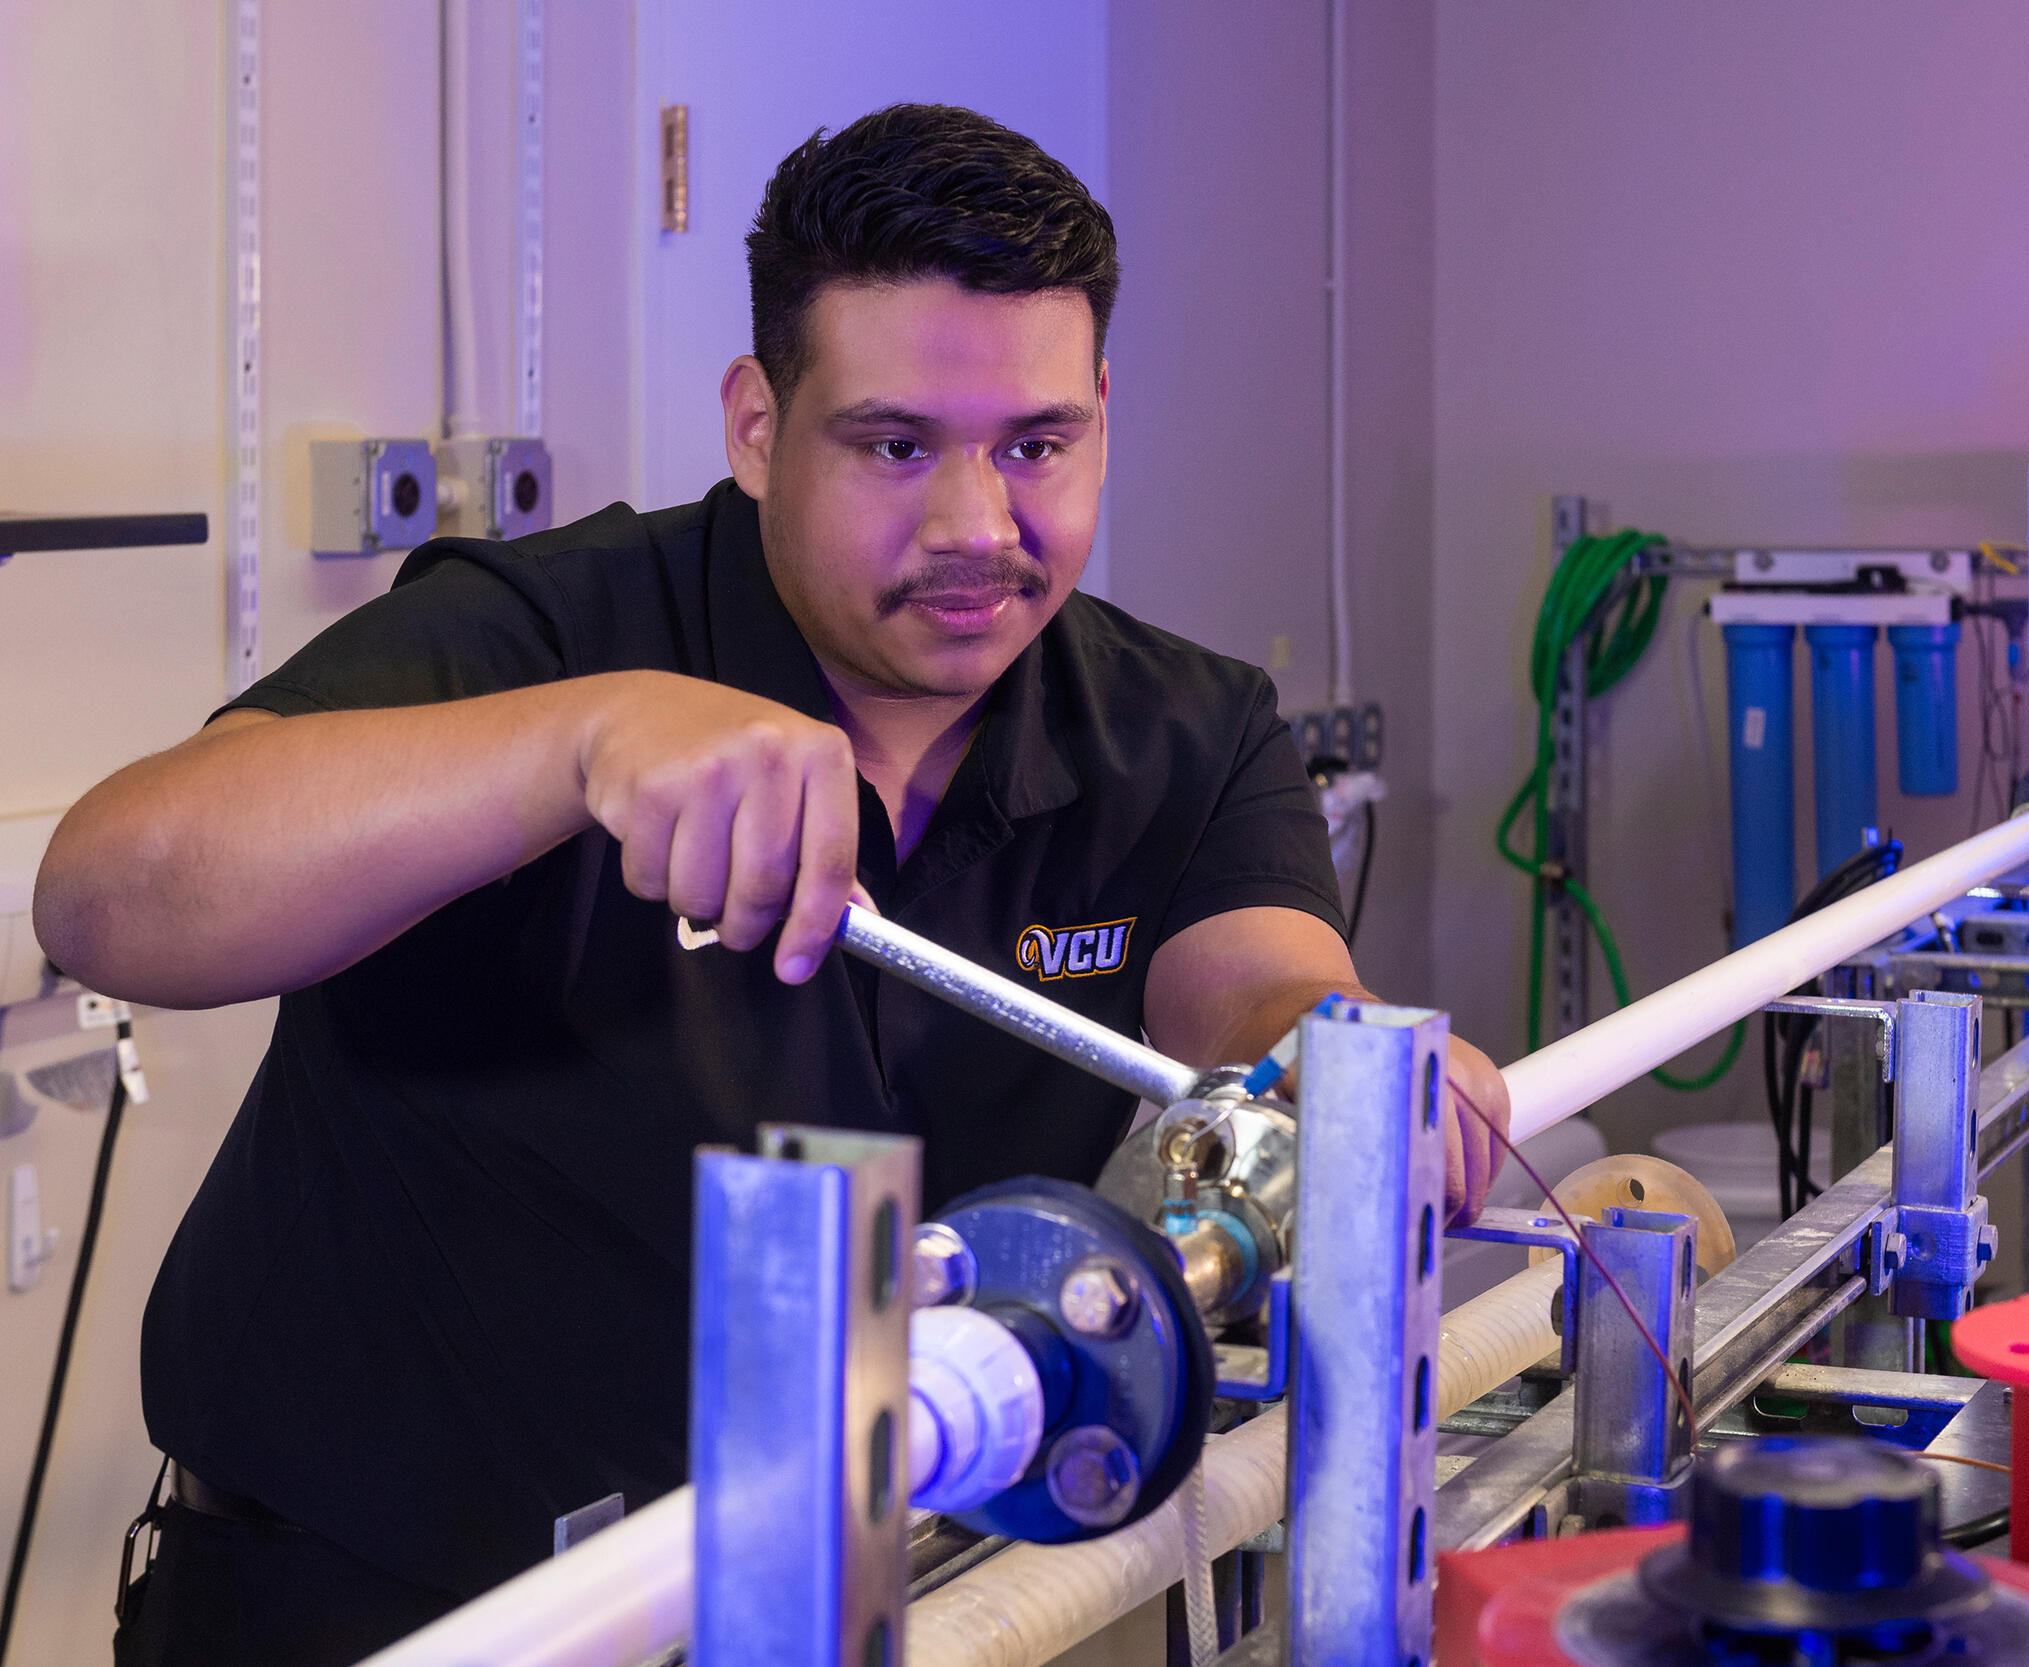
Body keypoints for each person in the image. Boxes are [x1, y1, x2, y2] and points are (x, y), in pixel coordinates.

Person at [35, 104, 1511, 1665]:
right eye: (893, 446)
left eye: (1037, 445)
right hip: (382, 1608)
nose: (976, 527)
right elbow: (110, 898)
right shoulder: (540, 629)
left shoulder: (1183, 728)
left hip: (859, 1596)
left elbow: (1261, 990)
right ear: (756, 424)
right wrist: (575, 746)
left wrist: (1357, 1070)